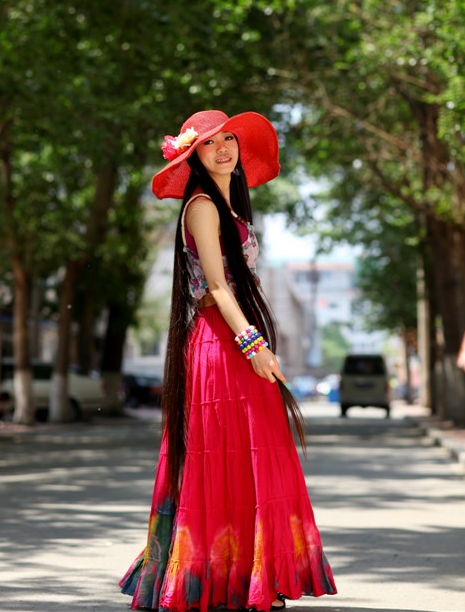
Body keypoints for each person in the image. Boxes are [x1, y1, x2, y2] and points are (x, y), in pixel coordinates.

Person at [119, 110, 337, 612]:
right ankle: (221, 579)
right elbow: (217, 288)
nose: (222, 150)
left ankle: (250, 579)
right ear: (193, 153)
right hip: (221, 346)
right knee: (226, 458)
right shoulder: (200, 206)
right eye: (210, 143)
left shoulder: (227, 207)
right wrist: (253, 345)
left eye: (229, 140)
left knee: (256, 456)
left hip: (232, 341)